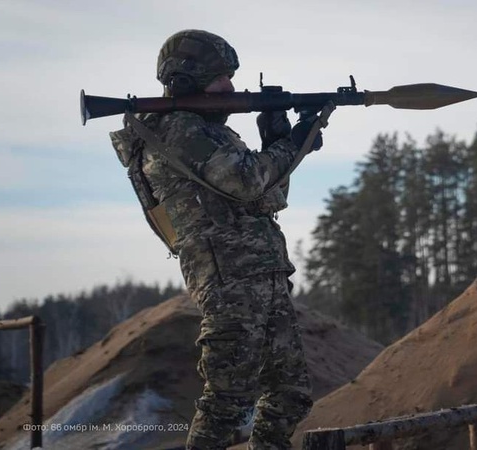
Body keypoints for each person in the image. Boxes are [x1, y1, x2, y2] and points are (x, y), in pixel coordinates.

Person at [109, 29, 321, 450]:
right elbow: (244, 181)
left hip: (262, 274)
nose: (230, 86)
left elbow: (268, 195)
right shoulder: (177, 130)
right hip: (227, 278)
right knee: (227, 400)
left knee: (290, 394)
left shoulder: (212, 134)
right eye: (221, 76)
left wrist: (279, 144)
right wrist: (291, 145)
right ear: (186, 79)